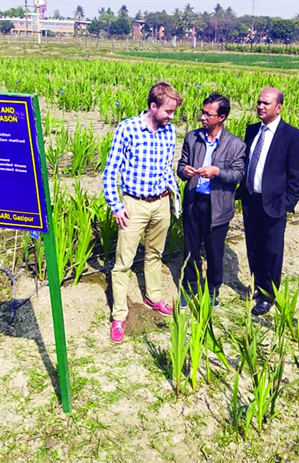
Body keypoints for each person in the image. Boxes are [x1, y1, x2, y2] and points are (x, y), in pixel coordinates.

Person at [102, 81, 182, 343]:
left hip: (160, 203)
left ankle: (154, 296)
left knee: (155, 254)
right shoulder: (127, 129)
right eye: (168, 111)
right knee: (123, 263)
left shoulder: (169, 132)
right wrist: (116, 205)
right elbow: (110, 171)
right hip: (133, 204)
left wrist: (173, 196)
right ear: (153, 106)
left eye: (173, 113)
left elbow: (167, 167)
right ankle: (119, 316)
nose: (171, 117)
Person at [236, 87, 299, 316]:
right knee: (254, 248)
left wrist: (288, 203)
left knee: (272, 251)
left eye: (266, 103)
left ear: (279, 108)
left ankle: (268, 295)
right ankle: (258, 287)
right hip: (251, 200)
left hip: (274, 204)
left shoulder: (291, 135)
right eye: (258, 102)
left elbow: (298, 174)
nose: (260, 106)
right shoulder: (252, 130)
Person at [177, 93, 245, 306]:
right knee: (190, 249)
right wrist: (184, 171)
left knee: (215, 252)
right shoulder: (192, 137)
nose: (202, 117)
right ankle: (189, 287)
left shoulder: (236, 145)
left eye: (208, 114)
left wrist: (217, 172)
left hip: (218, 206)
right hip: (193, 202)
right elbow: (181, 165)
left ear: (222, 117)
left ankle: (213, 289)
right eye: (203, 112)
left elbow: (238, 175)